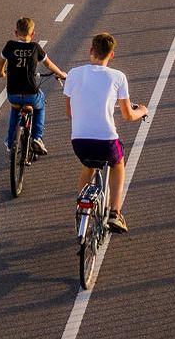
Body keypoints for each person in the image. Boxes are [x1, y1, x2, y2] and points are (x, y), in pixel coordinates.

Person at [64, 32, 147, 233]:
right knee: (118, 163)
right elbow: (128, 115)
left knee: (88, 165)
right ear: (111, 55)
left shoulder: (73, 74)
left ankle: (81, 206)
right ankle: (115, 213)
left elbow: (70, 113)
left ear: (91, 50)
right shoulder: (118, 77)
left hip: (79, 142)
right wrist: (142, 110)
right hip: (106, 142)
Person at [0, 17, 66, 156]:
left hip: (13, 93)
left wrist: (1, 72)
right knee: (40, 104)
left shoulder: (10, 45)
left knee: (15, 110)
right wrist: (61, 74)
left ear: (16, 32)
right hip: (31, 94)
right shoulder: (35, 47)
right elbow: (49, 64)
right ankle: (37, 138)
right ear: (33, 34)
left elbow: (1, 60)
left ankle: (10, 143)